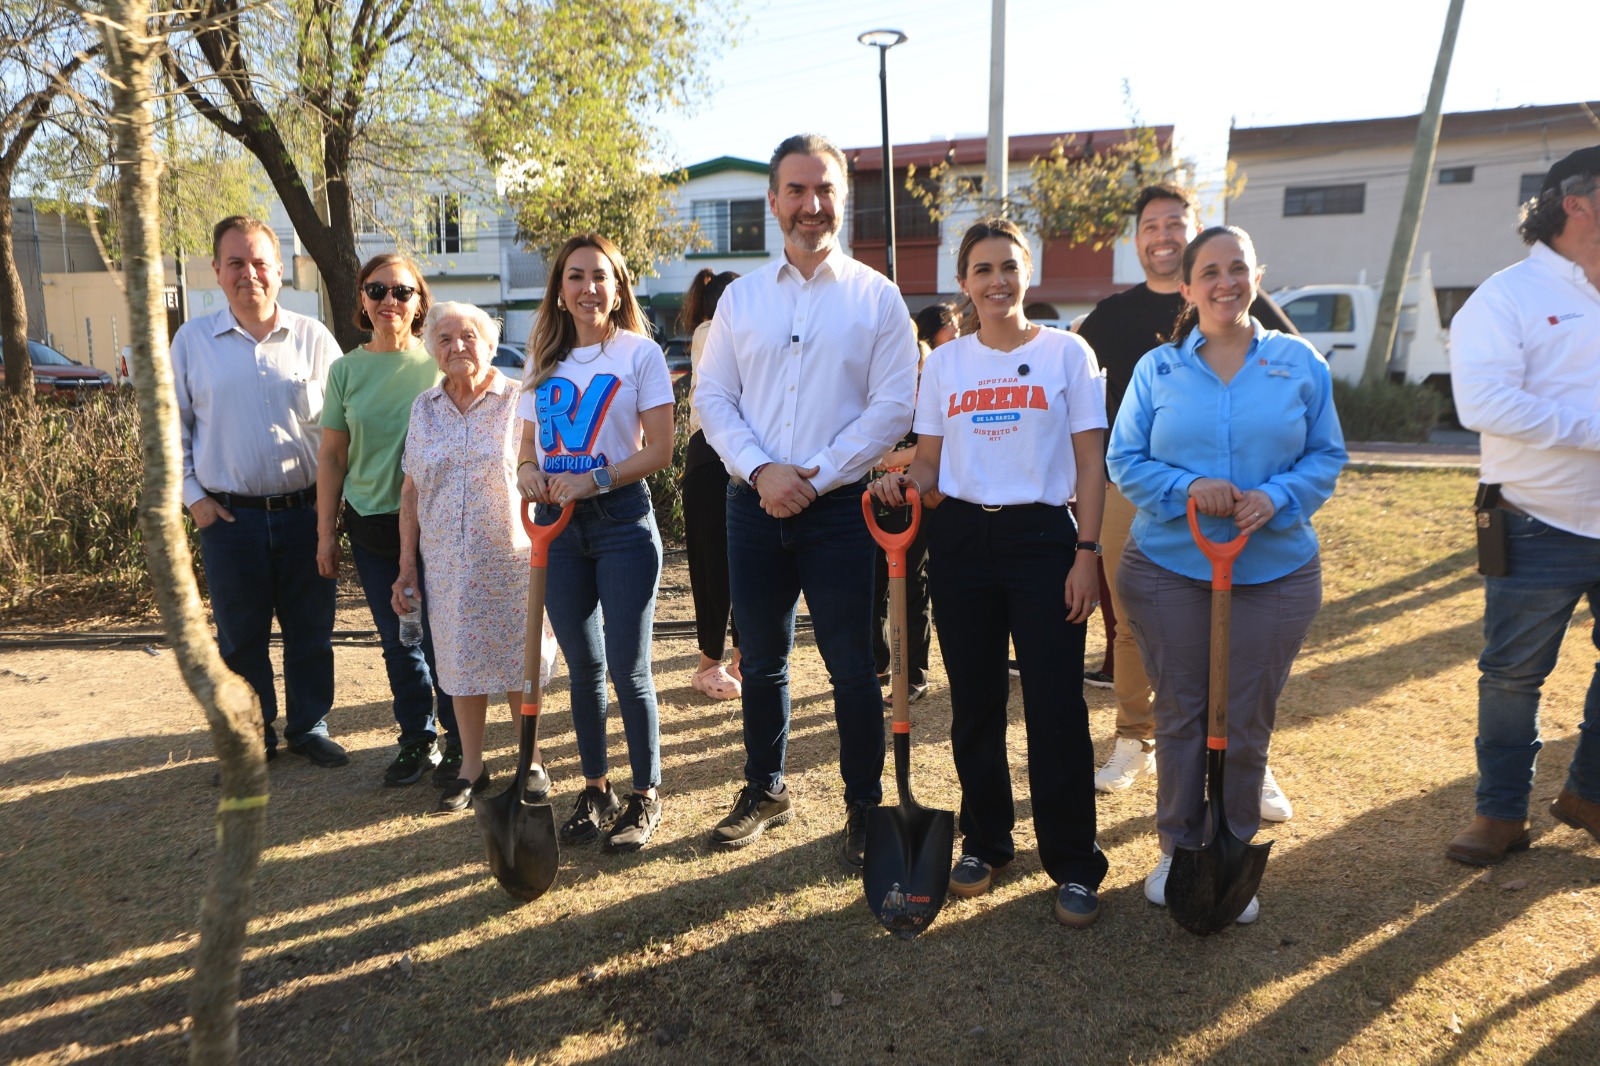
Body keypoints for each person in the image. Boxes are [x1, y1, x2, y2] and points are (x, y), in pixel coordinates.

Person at [871, 218, 1110, 927]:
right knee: (975, 701)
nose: (997, 281)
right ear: (964, 282)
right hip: (963, 539)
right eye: (982, 269)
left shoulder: (1070, 353)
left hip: (1044, 537)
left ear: (1026, 273)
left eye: (1009, 266)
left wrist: (1087, 553)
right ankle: (987, 841)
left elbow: (1092, 463)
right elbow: (930, 465)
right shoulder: (947, 363)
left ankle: (1073, 860)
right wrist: (901, 485)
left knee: (1055, 707)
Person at [1108, 224, 1345, 925]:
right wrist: (1188, 487)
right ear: (1187, 287)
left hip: (1275, 569)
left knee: (1245, 717)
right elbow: (1127, 461)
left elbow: (1327, 455)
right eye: (1208, 271)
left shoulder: (1299, 363)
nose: (1224, 282)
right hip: (1171, 567)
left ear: (1255, 277)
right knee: (1183, 712)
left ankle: (1234, 847)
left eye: (1237, 268)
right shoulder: (1160, 371)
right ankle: (1182, 847)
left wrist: (1278, 497)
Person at [696, 132, 919, 866]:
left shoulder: (877, 298)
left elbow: (891, 408)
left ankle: (863, 806)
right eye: (796, 190)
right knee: (759, 660)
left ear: (842, 199)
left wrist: (814, 477)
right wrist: (764, 473)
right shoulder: (741, 299)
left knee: (852, 666)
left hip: (839, 513)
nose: (811, 205)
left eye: (824, 190)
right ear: (773, 201)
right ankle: (767, 789)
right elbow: (713, 399)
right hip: (752, 506)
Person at [1077, 183, 1299, 824]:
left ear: (1195, 230)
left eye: (1176, 222)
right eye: (1151, 225)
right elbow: (1087, 411)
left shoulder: (1239, 301)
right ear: (1137, 239)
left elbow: (1296, 377)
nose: (1163, 235)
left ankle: (1246, 759)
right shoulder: (1109, 318)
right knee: (1133, 621)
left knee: (1240, 620)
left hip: (1234, 497)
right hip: (1137, 489)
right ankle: (1132, 738)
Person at [1444, 145, 1600, 865]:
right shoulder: (1505, 296)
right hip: (1535, 523)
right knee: (1512, 676)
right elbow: (1482, 402)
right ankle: (1499, 815)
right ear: (1579, 201)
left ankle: (1589, 794)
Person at [516, 233, 675, 853]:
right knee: (584, 669)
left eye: (599, 277)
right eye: (575, 277)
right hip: (557, 527)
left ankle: (645, 796)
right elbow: (528, 450)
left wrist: (595, 479)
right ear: (560, 290)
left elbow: (658, 450)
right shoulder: (543, 361)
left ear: (617, 287)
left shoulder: (639, 354)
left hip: (620, 522)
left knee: (629, 669)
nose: (587, 288)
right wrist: (528, 471)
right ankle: (596, 788)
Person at [172, 216, 344, 766]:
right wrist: (194, 498)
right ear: (218, 272)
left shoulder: (314, 338)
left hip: (304, 515)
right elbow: (168, 431)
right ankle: (253, 736)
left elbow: (343, 429)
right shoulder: (192, 341)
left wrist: (333, 511)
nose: (250, 274)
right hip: (229, 519)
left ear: (279, 270)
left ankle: (309, 725)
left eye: (261, 262)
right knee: (241, 640)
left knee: (310, 631)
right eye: (237, 263)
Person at [317, 254, 459, 788]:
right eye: (376, 291)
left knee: (445, 638)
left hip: (440, 526)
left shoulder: (439, 361)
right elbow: (331, 457)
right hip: (373, 526)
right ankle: (417, 739)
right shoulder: (345, 371)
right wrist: (325, 532)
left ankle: (459, 742)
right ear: (361, 299)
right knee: (401, 640)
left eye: (401, 292)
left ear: (420, 302)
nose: (388, 302)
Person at [392, 302, 530, 813]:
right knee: (459, 665)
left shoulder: (518, 400)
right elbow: (410, 492)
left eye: (468, 336)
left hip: (512, 559)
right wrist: (408, 566)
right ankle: (471, 765)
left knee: (520, 662)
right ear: (432, 348)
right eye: (445, 338)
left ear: (490, 345)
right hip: (446, 562)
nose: (457, 347)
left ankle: (530, 761)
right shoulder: (424, 408)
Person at [869, 302, 954, 703]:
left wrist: (896, 460)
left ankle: (914, 673)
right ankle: (881, 662)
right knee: (873, 586)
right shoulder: (870, 382)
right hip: (870, 498)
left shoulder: (930, 378)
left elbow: (938, 442)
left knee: (913, 586)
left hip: (916, 496)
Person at [679, 268, 743, 701]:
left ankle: (742, 658)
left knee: (745, 565)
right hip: (711, 456)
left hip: (740, 455)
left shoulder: (726, 330)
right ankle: (708, 664)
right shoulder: (711, 330)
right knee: (714, 566)